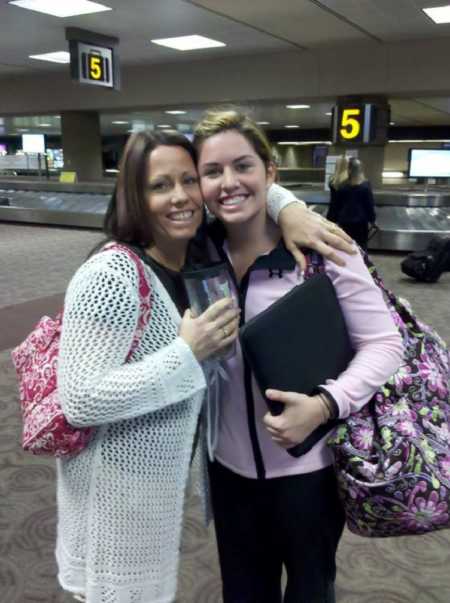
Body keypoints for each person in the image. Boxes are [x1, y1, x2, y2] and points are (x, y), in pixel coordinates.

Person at [55, 129, 353, 603]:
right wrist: (185, 353)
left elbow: (243, 181)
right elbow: (81, 399)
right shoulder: (110, 274)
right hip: (115, 492)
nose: (180, 197)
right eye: (159, 185)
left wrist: (289, 207)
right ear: (134, 194)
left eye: (189, 180)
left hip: (165, 486)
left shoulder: (195, 255)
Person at [193, 109, 404, 603]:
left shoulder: (326, 249)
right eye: (212, 172)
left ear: (271, 172)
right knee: (243, 593)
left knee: (311, 592)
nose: (228, 183)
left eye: (243, 166)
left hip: (309, 476)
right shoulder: (197, 254)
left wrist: (326, 405)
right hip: (229, 473)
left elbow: (385, 344)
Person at [327, 156, 376, 250]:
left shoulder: (338, 184)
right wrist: (372, 220)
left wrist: (331, 220)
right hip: (360, 222)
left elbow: (334, 205)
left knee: (345, 245)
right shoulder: (365, 185)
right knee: (361, 246)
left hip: (343, 220)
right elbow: (369, 204)